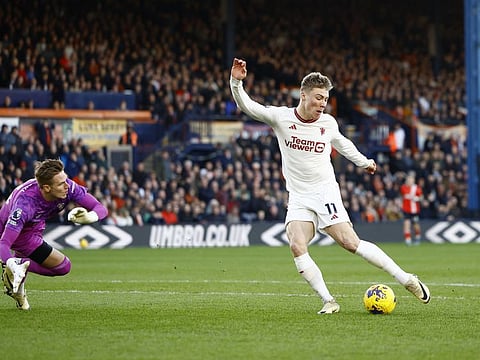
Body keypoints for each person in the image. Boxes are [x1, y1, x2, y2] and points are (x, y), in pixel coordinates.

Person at [229, 58, 430, 314]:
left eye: (325, 99)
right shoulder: (281, 117)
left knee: (349, 242)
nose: (322, 104)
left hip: (324, 191)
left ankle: (406, 279)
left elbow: (343, 144)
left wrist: (364, 162)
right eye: (318, 98)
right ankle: (328, 300)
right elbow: (247, 106)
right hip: (299, 195)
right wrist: (236, 81)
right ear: (303, 95)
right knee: (296, 244)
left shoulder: (328, 123)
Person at [0, 159, 108, 310]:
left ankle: (18, 275)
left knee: (57, 269)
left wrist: (90, 217)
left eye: (65, 180)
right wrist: (9, 262)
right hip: (16, 231)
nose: (67, 185)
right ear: (47, 188)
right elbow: (4, 243)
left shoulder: (68, 187)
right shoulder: (25, 204)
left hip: (35, 224)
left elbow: (99, 207)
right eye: (60, 184)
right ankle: (14, 265)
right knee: (62, 267)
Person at [400, 174, 422, 245]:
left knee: (415, 224)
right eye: (408, 180)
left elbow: (421, 197)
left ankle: (418, 237)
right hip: (406, 209)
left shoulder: (417, 188)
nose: (409, 181)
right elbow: (405, 194)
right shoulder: (403, 187)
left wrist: (417, 198)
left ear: (413, 181)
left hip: (414, 210)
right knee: (407, 224)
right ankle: (408, 240)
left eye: (411, 180)